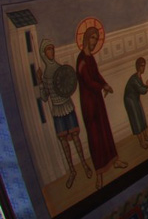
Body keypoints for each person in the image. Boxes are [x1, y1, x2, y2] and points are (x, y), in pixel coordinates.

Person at [76, 25, 127, 189]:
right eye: (92, 38)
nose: (94, 42)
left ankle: (114, 160)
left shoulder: (90, 58)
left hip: (97, 101)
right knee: (95, 138)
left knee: (105, 131)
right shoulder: (82, 60)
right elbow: (88, 81)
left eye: (96, 39)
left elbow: (96, 75)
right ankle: (99, 175)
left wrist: (105, 83)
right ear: (86, 38)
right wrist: (102, 87)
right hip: (89, 104)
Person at [38, 39, 92, 189]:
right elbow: (44, 97)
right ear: (44, 53)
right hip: (57, 110)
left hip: (67, 106)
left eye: (52, 49)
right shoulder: (45, 76)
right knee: (63, 140)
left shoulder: (61, 69)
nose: (51, 52)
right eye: (48, 49)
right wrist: (40, 82)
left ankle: (84, 164)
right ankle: (72, 170)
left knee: (75, 136)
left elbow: (69, 86)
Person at [123, 56, 148, 149]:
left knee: (141, 116)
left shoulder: (138, 76)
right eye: (142, 66)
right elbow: (141, 90)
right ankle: (141, 142)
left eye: (144, 65)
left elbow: (142, 86)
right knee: (136, 120)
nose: (143, 68)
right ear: (138, 66)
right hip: (130, 101)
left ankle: (145, 136)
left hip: (135, 99)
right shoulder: (134, 79)